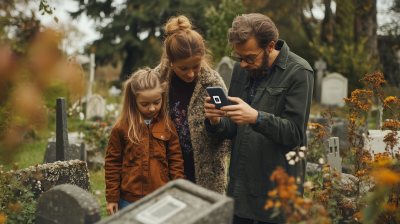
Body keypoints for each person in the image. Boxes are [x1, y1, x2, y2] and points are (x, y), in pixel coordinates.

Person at [204, 14, 314, 224]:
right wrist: (215, 121)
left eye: (250, 58)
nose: (243, 64)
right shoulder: (240, 69)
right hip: (239, 188)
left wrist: (257, 118)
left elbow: (294, 133)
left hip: (275, 192)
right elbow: (234, 127)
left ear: (270, 46)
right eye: (239, 57)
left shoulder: (299, 72)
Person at [154, 15, 231, 194]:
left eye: (196, 66)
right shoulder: (155, 82)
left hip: (205, 175)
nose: (190, 74)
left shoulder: (213, 83)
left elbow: (229, 134)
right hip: (164, 170)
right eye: (183, 68)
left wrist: (216, 123)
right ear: (170, 61)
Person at [105, 68, 185, 215]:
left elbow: (175, 160)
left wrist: (179, 189)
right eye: (145, 104)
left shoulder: (167, 125)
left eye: (156, 102)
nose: (152, 108)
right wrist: (112, 198)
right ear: (134, 101)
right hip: (130, 200)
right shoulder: (122, 128)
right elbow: (112, 164)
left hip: (161, 197)